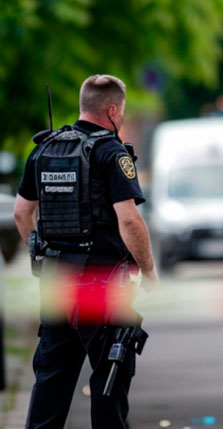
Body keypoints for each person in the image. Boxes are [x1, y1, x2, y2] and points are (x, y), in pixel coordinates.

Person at [13, 75, 158, 428]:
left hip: (56, 281)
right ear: (112, 110)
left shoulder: (44, 149)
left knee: (51, 380)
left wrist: (41, 253)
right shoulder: (110, 152)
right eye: (121, 112)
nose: (121, 119)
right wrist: (149, 271)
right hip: (100, 283)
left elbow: (21, 212)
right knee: (109, 377)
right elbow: (130, 221)